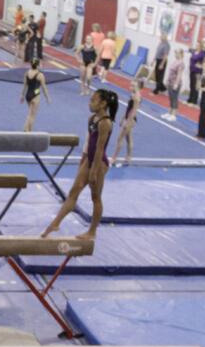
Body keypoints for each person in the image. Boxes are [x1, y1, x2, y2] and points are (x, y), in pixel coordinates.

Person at [40, 88, 117, 241]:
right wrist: (83, 160)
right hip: (89, 159)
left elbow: (100, 149)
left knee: (95, 197)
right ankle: (55, 223)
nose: (90, 103)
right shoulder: (92, 119)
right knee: (73, 192)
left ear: (103, 104)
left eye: (93, 100)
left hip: (99, 163)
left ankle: (92, 232)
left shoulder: (106, 123)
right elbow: (89, 143)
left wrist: (94, 171)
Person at [111, 68, 148, 166]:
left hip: (131, 120)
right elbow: (128, 108)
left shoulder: (136, 96)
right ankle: (128, 157)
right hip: (129, 118)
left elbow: (134, 111)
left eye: (132, 85)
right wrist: (123, 118)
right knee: (129, 139)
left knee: (120, 138)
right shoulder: (134, 94)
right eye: (130, 84)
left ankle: (114, 158)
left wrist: (128, 122)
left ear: (137, 87)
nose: (130, 86)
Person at [20, 58, 51, 132]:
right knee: (32, 115)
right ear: (37, 65)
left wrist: (22, 95)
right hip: (35, 96)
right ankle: (26, 129)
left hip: (28, 95)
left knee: (30, 113)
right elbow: (44, 87)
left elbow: (25, 86)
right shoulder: (40, 75)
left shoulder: (27, 73)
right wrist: (47, 98)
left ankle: (28, 130)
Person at [163, 48, 185, 121]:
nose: (176, 54)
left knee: (174, 98)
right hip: (170, 82)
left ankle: (174, 115)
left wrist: (176, 84)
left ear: (181, 54)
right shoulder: (175, 61)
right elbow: (170, 72)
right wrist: (167, 80)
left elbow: (179, 74)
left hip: (175, 83)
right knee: (171, 98)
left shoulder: (181, 63)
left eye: (177, 53)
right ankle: (169, 112)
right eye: (175, 53)